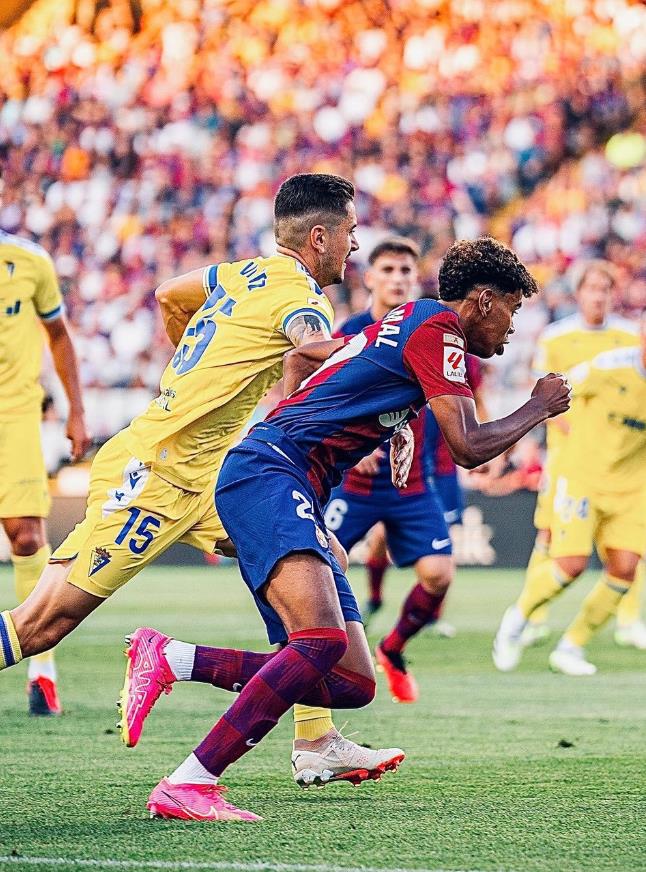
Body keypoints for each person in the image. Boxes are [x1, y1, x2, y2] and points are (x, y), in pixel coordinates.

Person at [131, 236, 571, 822]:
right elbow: (468, 447)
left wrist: (393, 422)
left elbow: (319, 356)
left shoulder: (409, 319)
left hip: (284, 480)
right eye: (512, 308)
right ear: (485, 300)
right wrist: (539, 406)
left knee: (349, 682)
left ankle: (175, 659)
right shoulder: (440, 330)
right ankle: (190, 781)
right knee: (319, 643)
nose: (513, 326)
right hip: (270, 472)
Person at [0, 174, 403, 785]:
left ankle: (316, 740)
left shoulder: (238, 274)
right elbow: (310, 346)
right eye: (350, 231)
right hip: (154, 474)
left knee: (321, 557)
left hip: (212, 475)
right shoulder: (303, 298)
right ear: (320, 237)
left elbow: (169, 295)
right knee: (41, 625)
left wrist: (197, 373)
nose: (356, 245)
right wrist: (392, 389)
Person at [322, 237, 471, 702]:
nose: (397, 278)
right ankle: (317, 654)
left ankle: (392, 648)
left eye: (405, 270)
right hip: (354, 483)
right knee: (318, 567)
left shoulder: (430, 328)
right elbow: (323, 394)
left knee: (439, 574)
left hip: (413, 483)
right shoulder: (349, 331)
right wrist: (353, 442)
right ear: (369, 278)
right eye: (387, 269)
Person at [493, 311, 646, 675]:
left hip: (631, 487)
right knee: (571, 565)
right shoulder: (609, 367)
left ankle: (572, 646)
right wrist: (558, 430)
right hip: (582, 476)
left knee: (624, 569)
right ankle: (518, 617)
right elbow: (555, 392)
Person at [0, 229, 90, 716]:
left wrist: (77, 411)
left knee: (27, 536)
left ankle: (42, 670)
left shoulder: (29, 261)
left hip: (14, 415)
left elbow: (58, 334)